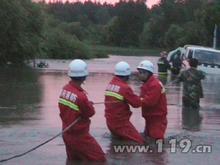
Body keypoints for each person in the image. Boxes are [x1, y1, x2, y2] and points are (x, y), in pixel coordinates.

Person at [58, 59, 106, 162]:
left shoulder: (65, 89)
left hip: (66, 134)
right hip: (80, 136)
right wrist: (88, 104)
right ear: (84, 76)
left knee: (74, 161)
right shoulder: (81, 96)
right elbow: (90, 113)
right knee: (100, 160)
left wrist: (86, 104)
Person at [104, 61, 145, 144]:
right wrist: (142, 98)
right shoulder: (125, 88)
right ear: (127, 75)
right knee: (140, 142)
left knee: (118, 143)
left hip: (110, 122)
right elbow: (136, 104)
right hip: (121, 124)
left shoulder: (110, 85)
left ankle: (117, 156)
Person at [137, 60, 168, 141]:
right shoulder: (147, 83)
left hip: (157, 119)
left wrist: (135, 100)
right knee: (148, 139)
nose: (139, 75)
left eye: (142, 73)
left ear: (148, 73)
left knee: (156, 142)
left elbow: (149, 102)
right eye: (139, 72)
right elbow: (143, 98)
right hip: (150, 118)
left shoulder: (155, 85)